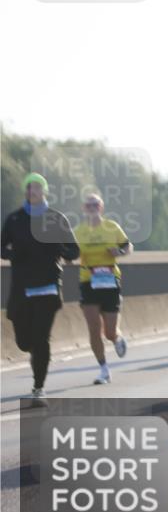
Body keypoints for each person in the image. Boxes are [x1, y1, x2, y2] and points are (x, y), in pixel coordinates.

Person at [1, 173, 80, 405]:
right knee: (25, 342)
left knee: (41, 338)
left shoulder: (56, 218)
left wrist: (62, 251)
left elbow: (73, 251)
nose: (32, 191)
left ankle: (38, 388)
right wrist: (14, 254)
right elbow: (1, 248)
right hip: (21, 289)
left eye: (36, 188)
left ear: (44, 191)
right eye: (28, 188)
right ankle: (35, 356)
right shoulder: (15, 219)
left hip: (48, 288)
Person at [75, 193, 131, 385]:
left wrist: (120, 252)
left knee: (109, 332)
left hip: (109, 280)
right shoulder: (79, 231)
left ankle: (117, 338)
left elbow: (128, 246)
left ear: (101, 207)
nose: (92, 208)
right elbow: (71, 252)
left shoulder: (112, 227)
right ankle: (104, 369)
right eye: (88, 205)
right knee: (93, 328)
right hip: (88, 280)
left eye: (95, 205)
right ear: (84, 209)